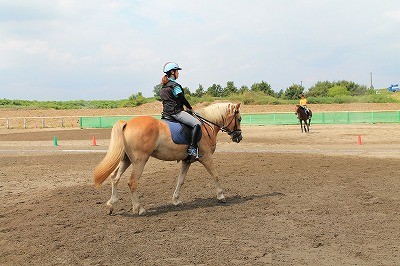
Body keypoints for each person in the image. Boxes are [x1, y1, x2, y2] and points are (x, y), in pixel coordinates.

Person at [160, 62, 202, 159]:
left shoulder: (163, 87)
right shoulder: (175, 86)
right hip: (176, 112)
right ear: (172, 72)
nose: (178, 73)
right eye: (177, 71)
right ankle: (192, 148)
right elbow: (182, 98)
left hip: (166, 113)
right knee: (197, 123)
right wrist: (190, 107)